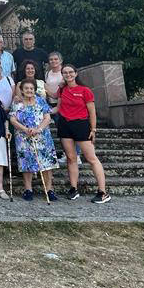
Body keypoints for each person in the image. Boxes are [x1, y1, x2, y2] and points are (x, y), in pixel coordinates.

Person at [56, 64, 111, 204]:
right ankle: (73, 189)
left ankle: (103, 192)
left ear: (75, 73)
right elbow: (58, 107)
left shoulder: (85, 90)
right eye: (65, 73)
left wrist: (93, 129)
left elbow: (92, 111)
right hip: (65, 125)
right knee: (70, 158)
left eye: (70, 72)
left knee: (91, 158)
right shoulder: (61, 90)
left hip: (81, 125)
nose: (68, 75)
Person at [9, 80, 59, 202]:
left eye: (31, 88)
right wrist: (25, 129)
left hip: (42, 136)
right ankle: (28, 189)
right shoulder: (18, 103)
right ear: (22, 90)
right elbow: (13, 119)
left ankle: (49, 189)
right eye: (26, 88)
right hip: (24, 137)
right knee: (27, 163)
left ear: (34, 89)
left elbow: (47, 117)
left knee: (47, 163)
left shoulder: (41, 101)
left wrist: (39, 129)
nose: (29, 90)